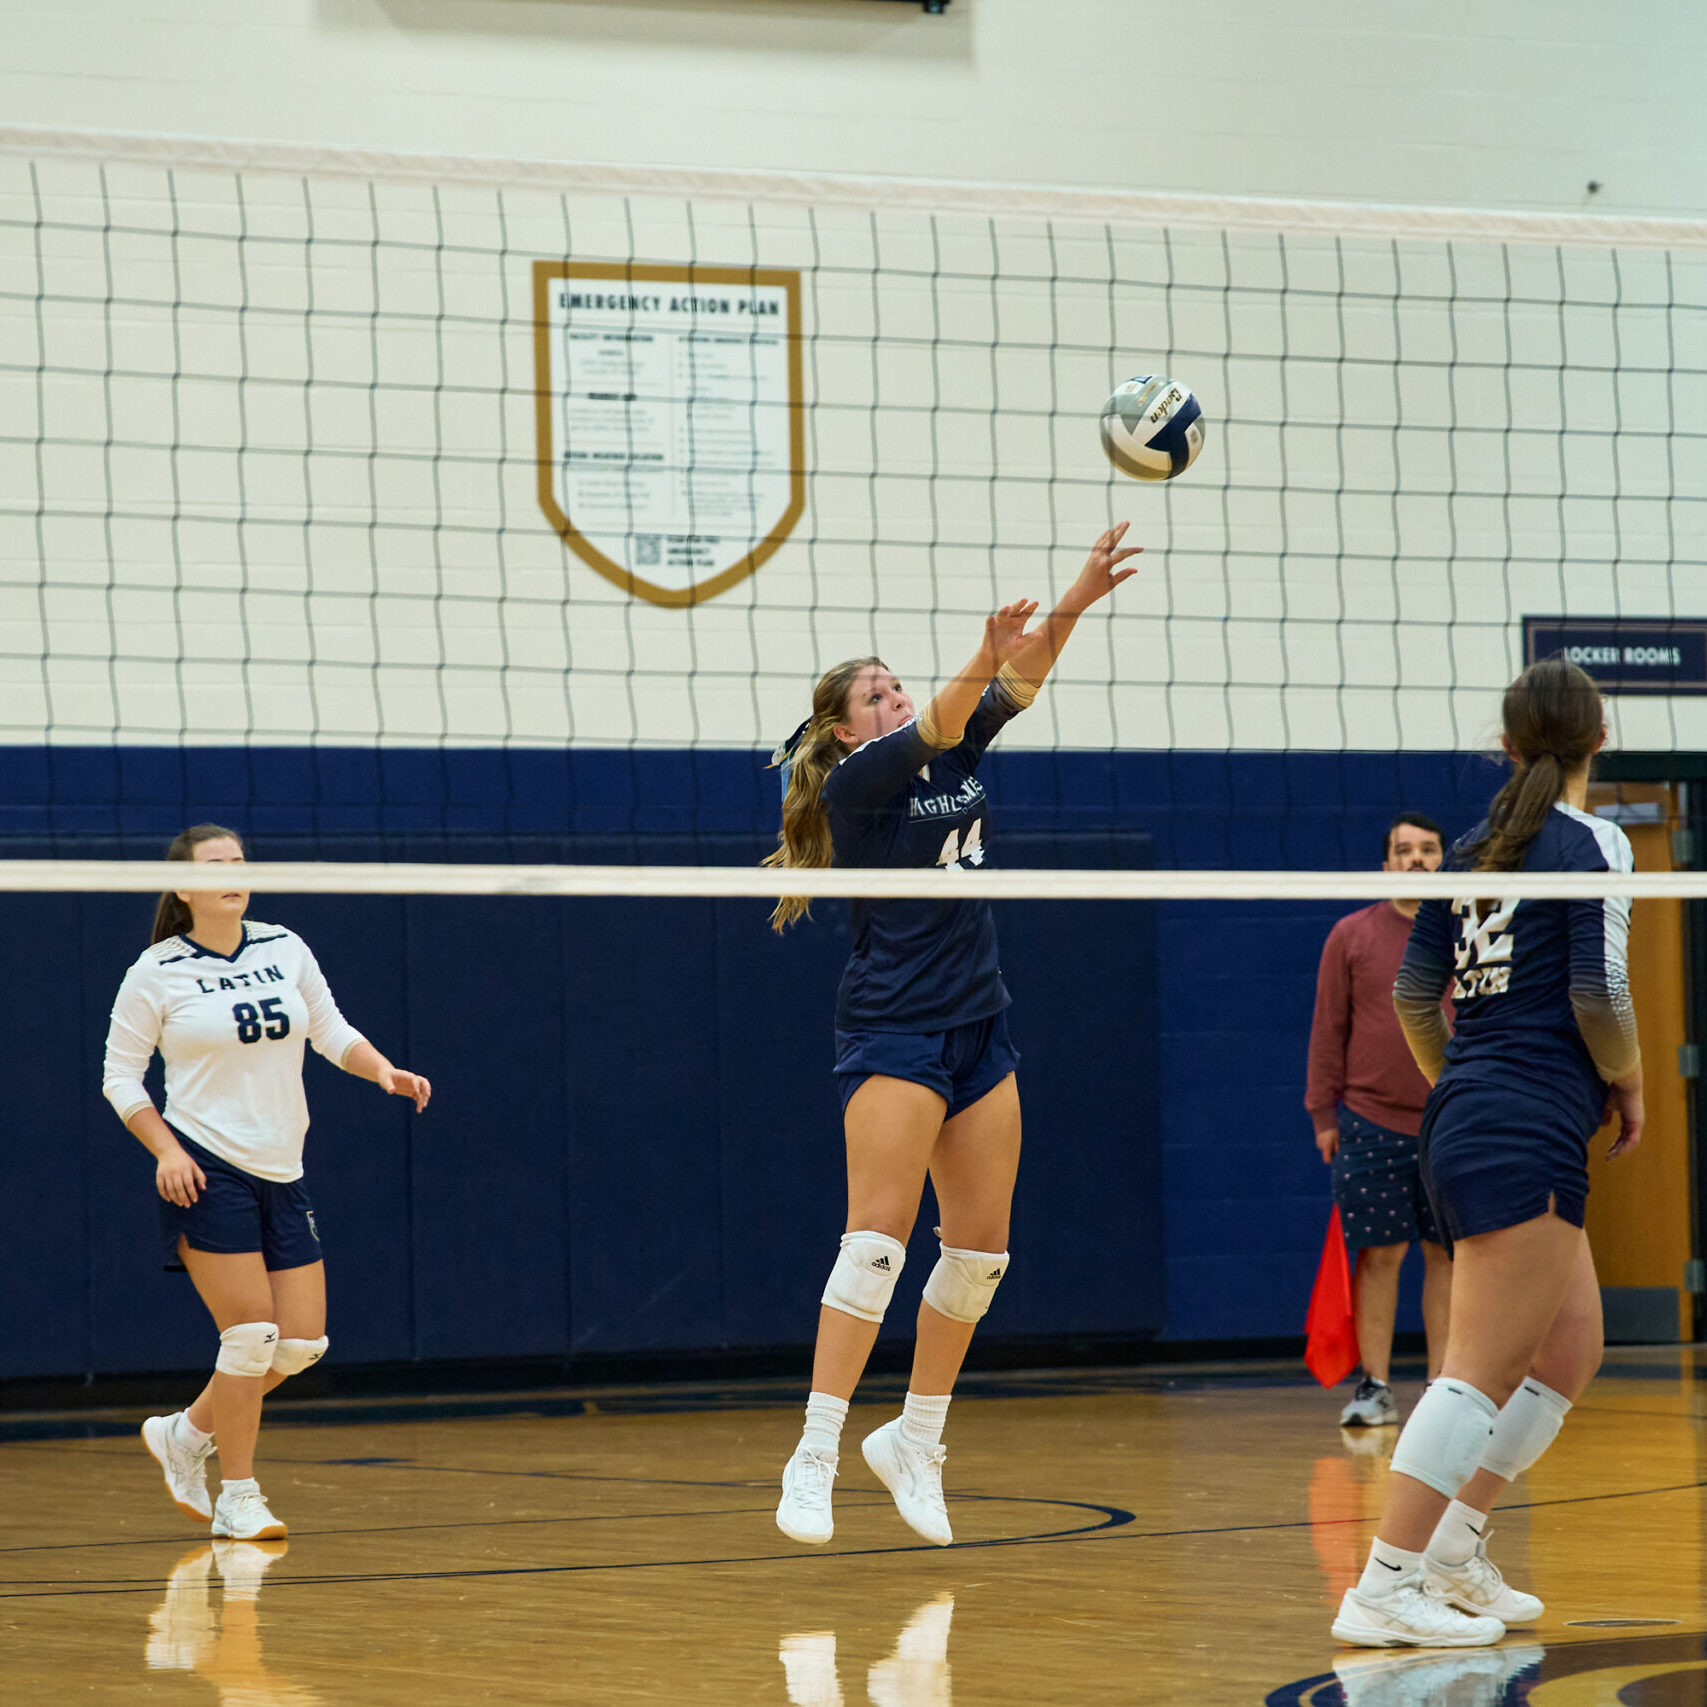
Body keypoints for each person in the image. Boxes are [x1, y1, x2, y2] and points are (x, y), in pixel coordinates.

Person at [763, 523, 1142, 1547]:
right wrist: (976, 656)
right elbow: (948, 711)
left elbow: (1015, 683)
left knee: (978, 1258)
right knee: (874, 1246)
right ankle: (816, 1449)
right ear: (845, 732)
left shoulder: (954, 744)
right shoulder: (858, 786)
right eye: (873, 695)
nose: (892, 698)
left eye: (896, 685)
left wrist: (1080, 594)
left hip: (981, 1024)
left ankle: (917, 1440)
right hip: (895, 1030)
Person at [1332, 656, 1643, 1647]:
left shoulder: (1475, 848)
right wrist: (1628, 1080)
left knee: (1569, 1346)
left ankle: (1456, 1552)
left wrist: (1462, 1079)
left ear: (1506, 748)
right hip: (1525, 1113)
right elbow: (1598, 995)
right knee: (1475, 1370)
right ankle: (1384, 1584)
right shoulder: (1594, 842)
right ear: (1599, 739)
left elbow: (1416, 1002)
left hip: (1477, 1108)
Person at [104, 825, 431, 1541]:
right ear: (184, 887)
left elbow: (331, 1029)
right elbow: (119, 1077)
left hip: (282, 1167)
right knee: (250, 1334)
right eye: (217, 864)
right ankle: (239, 1494)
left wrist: (380, 1068)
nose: (235, 871)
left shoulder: (284, 946)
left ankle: (186, 1432)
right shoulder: (155, 971)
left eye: (241, 861)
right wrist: (164, 1149)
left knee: (301, 1343)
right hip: (205, 1166)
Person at [1307, 812, 1451, 1427]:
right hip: (1369, 1120)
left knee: (1446, 1255)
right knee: (1381, 1256)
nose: (1417, 859)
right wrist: (1323, 1113)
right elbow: (1327, 1029)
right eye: (1405, 851)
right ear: (1387, 864)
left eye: (1428, 850)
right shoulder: (1351, 934)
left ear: (1443, 859)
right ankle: (1374, 1386)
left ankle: (1446, 1391)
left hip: (1449, 1121)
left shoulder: (1467, 933)